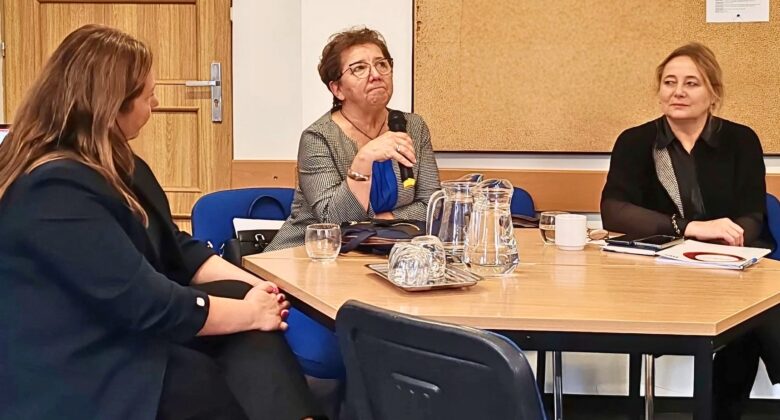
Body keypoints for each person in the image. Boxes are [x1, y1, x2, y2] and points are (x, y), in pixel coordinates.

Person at [0, 25, 322, 420]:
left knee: (238, 298)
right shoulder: (52, 190)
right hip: (75, 364)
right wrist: (252, 312)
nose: (154, 104)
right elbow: (146, 302)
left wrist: (261, 290)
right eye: (147, 95)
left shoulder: (120, 164)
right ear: (111, 106)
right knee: (201, 377)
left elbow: (175, 248)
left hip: (116, 328)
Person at [601, 42, 779, 419]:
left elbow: (753, 214)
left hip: (731, 265)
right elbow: (613, 211)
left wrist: (727, 246)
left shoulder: (741, 140)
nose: (678, 91)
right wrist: (690, 228)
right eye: (669, 82)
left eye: (691, 83)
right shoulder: (636, 142)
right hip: (661, 269)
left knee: (751, 319)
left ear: (713, 93)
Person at [266, 27, 440, 251]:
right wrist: (364, 160)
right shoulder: (318, 137)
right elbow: (332, 221)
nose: (376, 74)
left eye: (381, 64)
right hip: (309, 253)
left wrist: (381, 223)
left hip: (386, 252)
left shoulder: (413, 127)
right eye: (359, 68)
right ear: (337, 89)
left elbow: (433, 206)